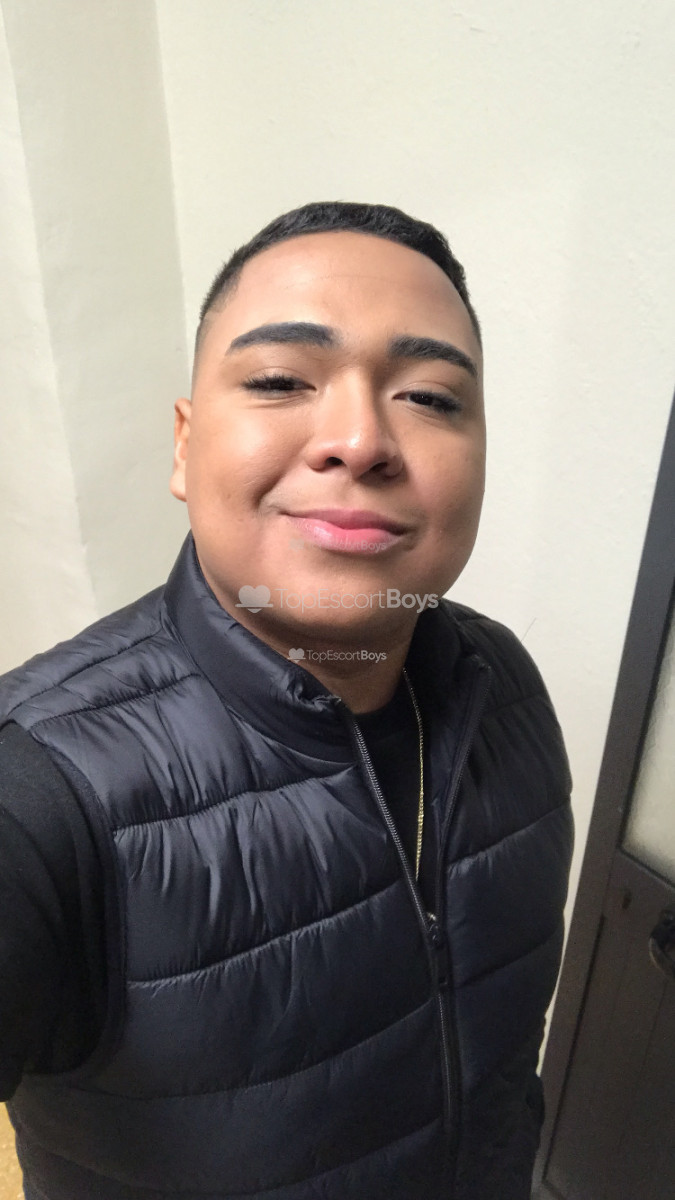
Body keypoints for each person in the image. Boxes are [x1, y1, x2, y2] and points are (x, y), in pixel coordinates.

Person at [0, 200, 573, 1200]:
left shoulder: (504, 683)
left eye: (430, 397)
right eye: (278, 381)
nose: (359, 440)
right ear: (184, 448)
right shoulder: (38, 795)